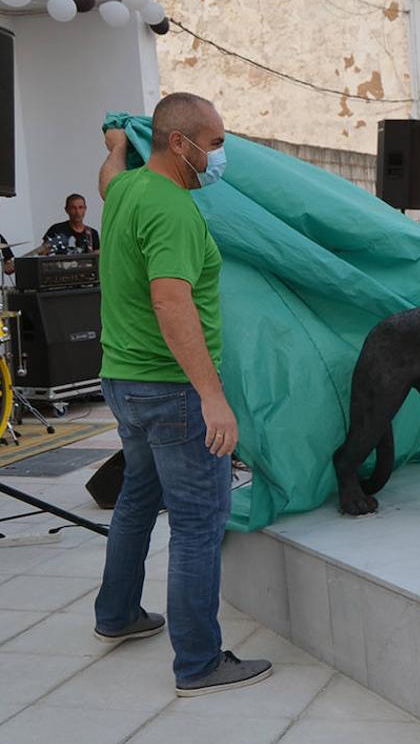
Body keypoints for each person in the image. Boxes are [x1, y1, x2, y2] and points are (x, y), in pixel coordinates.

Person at [93, 92, 271, 696]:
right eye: (215, 144)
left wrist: (116, 146)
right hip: (171, 392)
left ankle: (116, 615)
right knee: (199, 521)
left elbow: (107, 178)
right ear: (180, 143)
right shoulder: (171, 208)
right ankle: (199, 663)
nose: (219, 156)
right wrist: (211, 397)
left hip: (123, 382)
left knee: (137, 500)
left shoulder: (128, 191)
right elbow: (171, 302)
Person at [35, 193, 100, 255]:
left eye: (80, 207)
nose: (77, 212)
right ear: (66, 210)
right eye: (73, 208)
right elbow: (42, 253)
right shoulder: (56, 230)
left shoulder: (92, 233)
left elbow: (97, 258)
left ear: (85, 209)